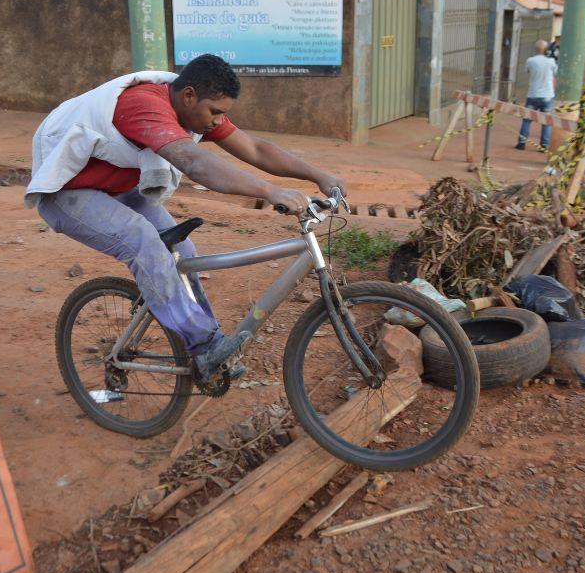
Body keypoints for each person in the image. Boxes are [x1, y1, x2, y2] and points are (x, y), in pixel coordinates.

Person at [25, 54, 346, 383]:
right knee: (142, 241)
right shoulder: (142, 105)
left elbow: (256, 149)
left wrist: (319, 175)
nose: (217, 122)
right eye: (215, 112)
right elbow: (195, 163)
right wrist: (268, 191)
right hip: (67, 193)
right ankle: (204, 343)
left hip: (117, 189)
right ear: (189, 96)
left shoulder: (192, 111)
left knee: (184, 253)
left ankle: (207, 352)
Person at [516, 39, 558, 151]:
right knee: (546, 121)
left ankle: (522, 142)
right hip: (547, 95)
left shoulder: (530, 60)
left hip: (533, 94)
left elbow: (527, 71)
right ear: (546, 49)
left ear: (535, 49)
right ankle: (544, 145)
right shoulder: (551, 61)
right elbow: (556, 74)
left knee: (527, 119)